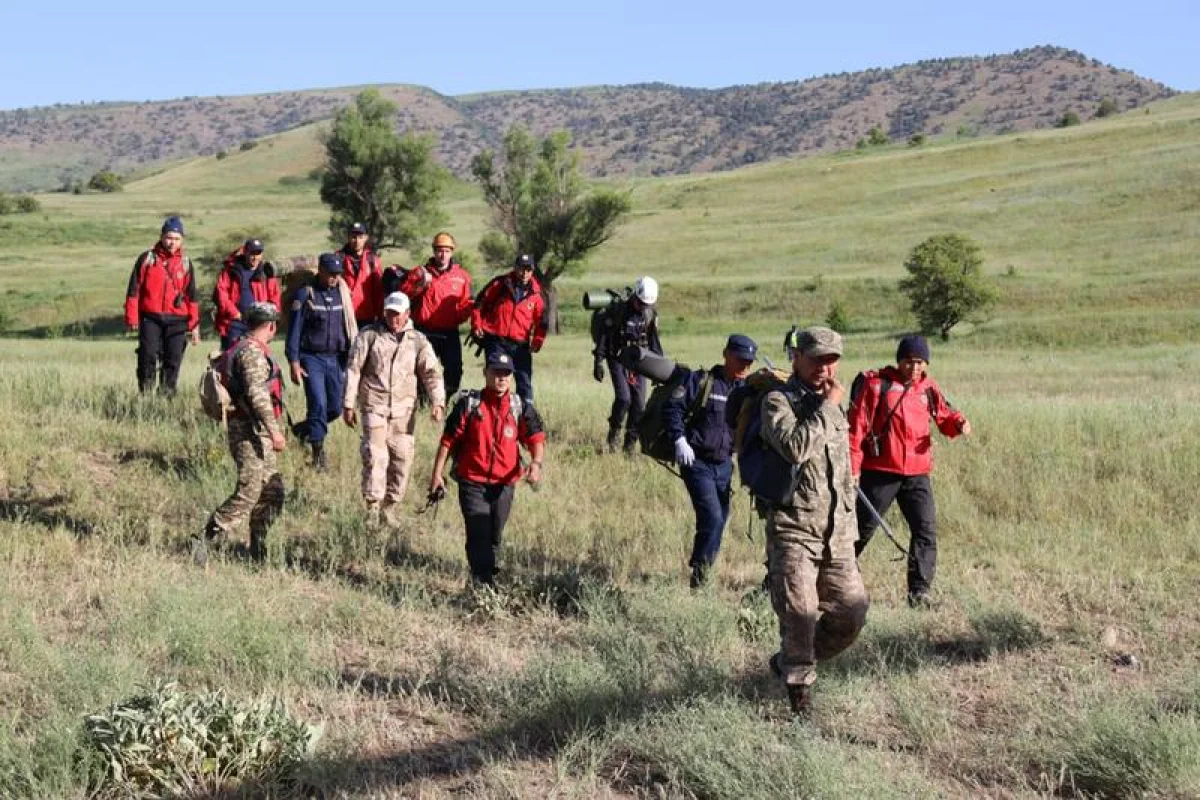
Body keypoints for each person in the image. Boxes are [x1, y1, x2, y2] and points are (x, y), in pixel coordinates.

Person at [759, 326, 869, 716]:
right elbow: (795, 447)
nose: (825, 367)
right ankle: (799, 704)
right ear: (797, 358)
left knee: (852, 612)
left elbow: (842, 470)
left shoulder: (832, 404)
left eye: (832, 359)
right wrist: (828, 407)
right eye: (817, 359)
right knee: (800, 616)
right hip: (794, 532)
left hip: (837, 533)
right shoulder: (777, 401)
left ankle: (790, 662)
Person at [848, 334, 971, 608]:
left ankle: (919, 593)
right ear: (899, 360)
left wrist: (959, 423)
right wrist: (853, 469)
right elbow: (857, 430)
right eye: (908, 361)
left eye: (919, 362)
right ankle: (832, 578)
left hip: (917, 473)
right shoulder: (876, 385)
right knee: (861, 530)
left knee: (925, 531)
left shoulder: (927, 388)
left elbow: (944, 417)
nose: (913, 368)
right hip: (880, 471)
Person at [429, 350, 546, 585]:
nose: (501, 378)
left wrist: (536, 464)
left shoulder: (519, 406)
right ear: (485, 373)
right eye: (496, 372)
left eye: (506, 373)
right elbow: (448, 441)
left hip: (505, 483)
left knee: (494, 535)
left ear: (512, 377)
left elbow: (535, 439)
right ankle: (483, 584)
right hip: (472, 480)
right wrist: (436, 475)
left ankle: (485, 576)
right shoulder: (469, 404)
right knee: (478, 532)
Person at [664, 334, 758, 587]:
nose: (745, 366)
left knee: (720, 520)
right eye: (740, 360)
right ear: (725, 354)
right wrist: (678, 440)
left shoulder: (747, 391)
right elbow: (673, 409)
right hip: (697, 462)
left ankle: (704, 568)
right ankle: (700, 576)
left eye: (749, 362)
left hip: (725, 465)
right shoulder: (700, 381)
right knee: (712, 518)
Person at [196, 302, 286, 564]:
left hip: (255, 430)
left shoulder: (242, 347)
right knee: (249, 491)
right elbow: (258, 396)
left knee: (272, 489)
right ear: (271, 326)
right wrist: (275, 431)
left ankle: (257, 545)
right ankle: (205, 539)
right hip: (249, 430)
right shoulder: (252, 354)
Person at [343, 292, 445, 522]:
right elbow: (353, 369)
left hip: (404, 412)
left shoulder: (418, 341)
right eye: (389, 313)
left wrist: (438, 401)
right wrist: (348, 403)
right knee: (375, 457)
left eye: (398, 314)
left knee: (402, 459)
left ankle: (390, 506)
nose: (393, 318)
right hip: (374, 406)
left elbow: (431, 373)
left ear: (407, 314)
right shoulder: (369, 336)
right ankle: (372, 508)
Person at [286, 253, 359, 471]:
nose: (334, 278)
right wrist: (294, 361)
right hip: (312, 358)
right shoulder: (306, 294)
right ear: (320, 271)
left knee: (335, 408)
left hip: (336, 358)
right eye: (330, 273)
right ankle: (318, 456)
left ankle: (303, 430)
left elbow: (348, 329)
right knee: (318, 404)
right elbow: (294, 330)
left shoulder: (343, 294)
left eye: (337, 274)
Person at [385, 231, 473, 400]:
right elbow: (403, 296)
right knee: (423, 370)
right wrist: (419, 284)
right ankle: (424, 405)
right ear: (433, 251)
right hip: (424, 331)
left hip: (449, 332)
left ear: (452, 252)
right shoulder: (420, 272)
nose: (443, 254)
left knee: (454, 371)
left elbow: (465, 304)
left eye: (447, 250)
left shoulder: (462, 277)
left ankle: (443, 401)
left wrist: (462, 315)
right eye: (439, 250)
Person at [124, 216, 201, 395]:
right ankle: (146, 393)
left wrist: (194, 325)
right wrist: (131, 317)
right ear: (161, 237)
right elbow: (133, 290)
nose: (171, 242)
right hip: (150, 317)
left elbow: (192, 297)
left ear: (182, 240)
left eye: (176, 238)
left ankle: (167, 396)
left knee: (173, 359)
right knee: (147, 355)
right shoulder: (147, 259)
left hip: (177, 320)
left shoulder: (186, 264)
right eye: (168, 237)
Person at [592, 276, 662, 453]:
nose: (642, 307)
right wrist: (598, 361)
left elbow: (654, 343)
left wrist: (658, 371)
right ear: (635, 297)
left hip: (639, 361)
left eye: (646, 304)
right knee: (624, 398)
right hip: (617, 358)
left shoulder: (650, 315)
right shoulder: (619, 311)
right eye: (640, 303)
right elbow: (604, 338)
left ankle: (629, 445)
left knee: (639, 405)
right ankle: (614, 434)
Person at [471, 253, 547, 403]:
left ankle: (526, 416)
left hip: (520, 344)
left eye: (528, 270)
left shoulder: (537, 294)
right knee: (496, 379)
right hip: (496, 340)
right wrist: (476, 325)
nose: (524, 273)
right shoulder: (500, 284)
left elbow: (542, 321)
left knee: (524, 381)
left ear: (532, 271)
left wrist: (538, 340)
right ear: (515, 268)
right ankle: (492, 412)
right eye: (521, 268)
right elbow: (479, 304)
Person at [214, 238, 281, 350]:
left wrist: (268, 318)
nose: (255, 257)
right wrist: (234, 313)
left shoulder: (267, 273)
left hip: (258, 323)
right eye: (252, 253)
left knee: (257, 358)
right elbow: (221, 293)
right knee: (232, 357)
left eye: (258, 253)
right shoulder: (231, 270)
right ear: (245, 252)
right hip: (235, 322)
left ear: (262, 254)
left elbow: (274, 299)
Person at [335, 222, 384, 326]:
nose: (357, 241)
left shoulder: (372, 260)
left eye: (360, 237)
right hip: (344, 314)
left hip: (367, 316)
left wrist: (380, 317)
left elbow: (378, 292)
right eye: (353, 237)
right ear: (348, 237)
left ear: (366, 238)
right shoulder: (338, 258)